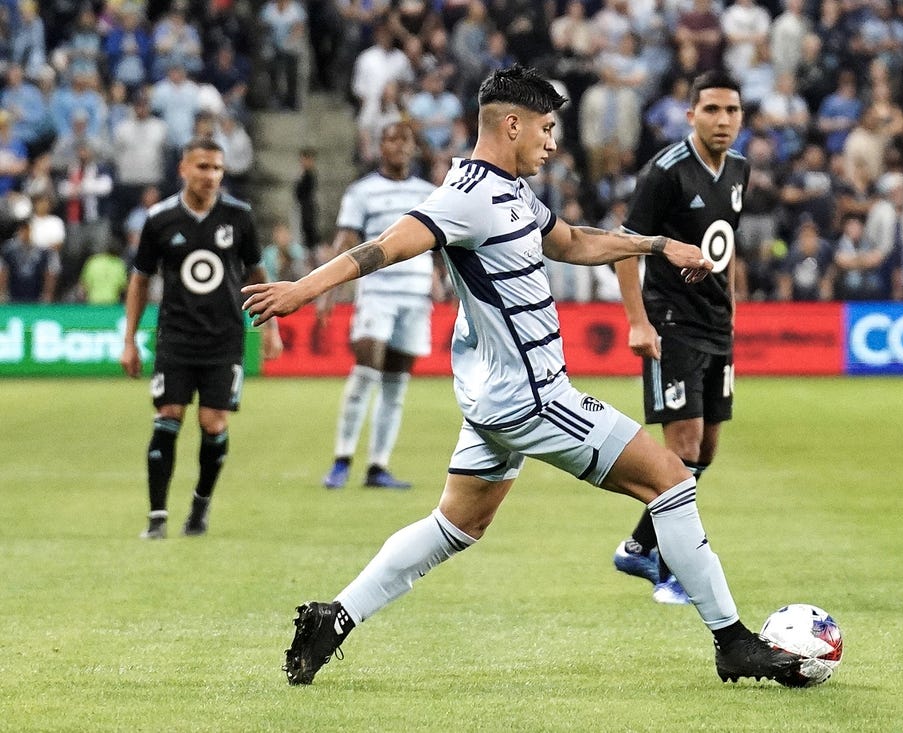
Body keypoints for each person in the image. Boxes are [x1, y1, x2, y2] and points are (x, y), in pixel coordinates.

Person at [242, 65, 802, 688]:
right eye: (546, 127)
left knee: (456, 526)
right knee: (671, 482)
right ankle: (732, 642)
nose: (553, 142)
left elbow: (573, 244)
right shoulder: (464, 198)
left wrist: (657, 247)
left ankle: (333, 618)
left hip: (496, 403)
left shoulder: (510, 191)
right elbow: (384, 247)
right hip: (535, 399)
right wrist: (302, 288)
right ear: (512, 124)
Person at [608, 70, 748, 606]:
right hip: (671, 324)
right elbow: (623, 245)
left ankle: (639, 545)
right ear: (691, 115)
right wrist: (638, 321)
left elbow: (726, 247)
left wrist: (730, 311)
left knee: (705, 452)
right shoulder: (665, 172)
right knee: (681, 451)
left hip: (716, 327)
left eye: (731, 111)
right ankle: (668, 571)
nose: (722, 120)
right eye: (711, 110)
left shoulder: (739, 169)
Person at [120, 136, 283, 540]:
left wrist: (270, 328)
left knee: (213, 424)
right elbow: (139, 282)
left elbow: (256, 275)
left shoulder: (239, 216)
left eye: (217, 169)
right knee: (168, 416)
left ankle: (200, 506)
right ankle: (157, 517)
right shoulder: (159, 220)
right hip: (175, 337)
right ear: (184, 169)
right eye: (203, 167)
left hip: (225, 337)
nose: (211, 176)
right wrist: (129, 340)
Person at [320, 121, 439, 490]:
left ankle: (377, 466)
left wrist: (441, 277)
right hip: (378, 294)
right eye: (391, 139)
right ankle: (342, 459)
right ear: (380, 146)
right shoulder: (362, 192)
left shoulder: (429, 193)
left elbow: (442, 241)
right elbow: (346, 240)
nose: (399, 146)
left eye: (405, 140)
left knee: (395, 385)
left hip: (416, 296)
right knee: (365, 372)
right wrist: (326, 289)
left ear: (413, 148)